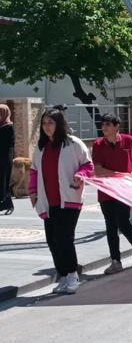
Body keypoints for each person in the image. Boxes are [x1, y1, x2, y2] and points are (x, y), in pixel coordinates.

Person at [29, 108, 93, 294]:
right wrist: (33, 191)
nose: (47, 127)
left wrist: (80, 175)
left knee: (64, 238)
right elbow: (34, 171)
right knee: (52, 240)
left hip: (69, 199)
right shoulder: (41, 148)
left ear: (59, 124)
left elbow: (87, 164)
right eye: (44, 123)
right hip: (48, 201)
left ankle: (73, 275)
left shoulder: (73, 144)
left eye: (50, 122)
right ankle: (63, 275)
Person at [92, 113, 132, 274]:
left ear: (117, 127)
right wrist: (117, 173)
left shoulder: (128, 140)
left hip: (124, 188)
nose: (104, 128)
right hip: (106, 189)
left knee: (122, 220)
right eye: (103, 125)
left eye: (108, 124)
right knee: (110, 225)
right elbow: (98, 169)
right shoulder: (98, 144)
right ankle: (115, 261)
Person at [0, 104, 14, 215]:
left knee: (3, 181)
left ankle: (8, 203)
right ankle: (5, 203)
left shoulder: (8, 127)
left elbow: (8, 145)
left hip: (4, 159)